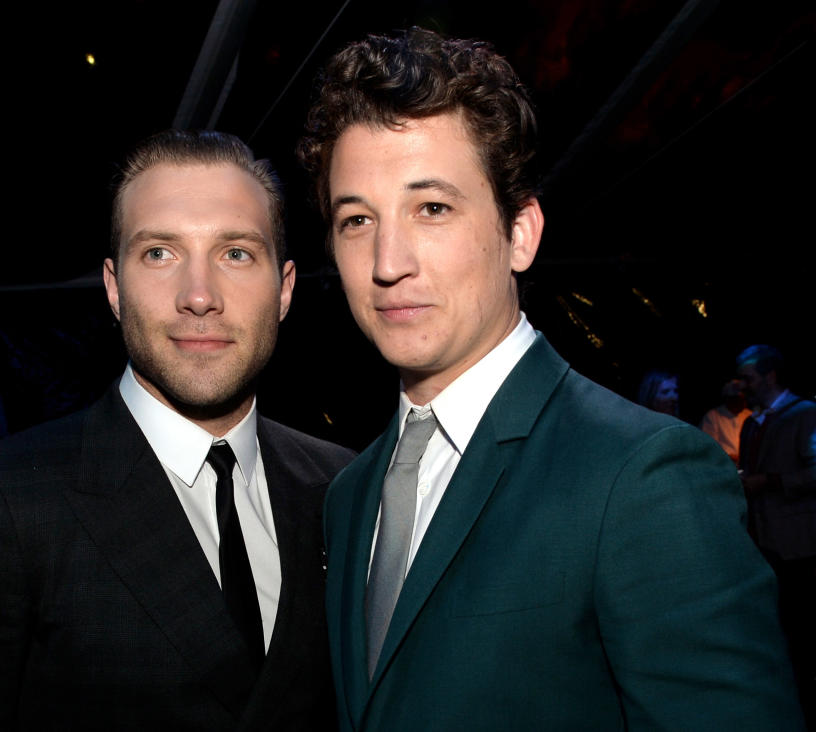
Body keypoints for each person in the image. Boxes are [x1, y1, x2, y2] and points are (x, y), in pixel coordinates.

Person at [297, 27, 803, 730]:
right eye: (357, 219)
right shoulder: (349, 495)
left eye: (432, 208)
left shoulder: (640, 476)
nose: (388, 261)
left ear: (521, 233)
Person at [0, 129, 355, 730]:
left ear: (286, 289)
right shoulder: (4, 501)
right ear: (113, 288)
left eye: (235, 253)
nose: (199, 296)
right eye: (159, 253)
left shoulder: (344, 486)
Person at [737, 344, 816, 726]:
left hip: (798, 542)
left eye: (749, 379)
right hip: (762, 540)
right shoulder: (753, 422)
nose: (743, 387)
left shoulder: (804, 415)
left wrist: (771, 481)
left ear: (769, 376)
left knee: (801, 626)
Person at [700, 377, 751, 462]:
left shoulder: (749, 415)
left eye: (741, 400)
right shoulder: (713, 416)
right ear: (727, 399)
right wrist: (729, 456)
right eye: (735, 400)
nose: (739, 403)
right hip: (723, 463)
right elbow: (708, 445)